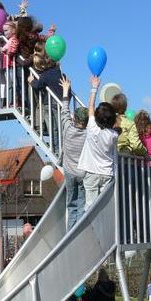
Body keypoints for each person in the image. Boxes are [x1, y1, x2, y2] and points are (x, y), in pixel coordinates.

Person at [77, 76, 118, 209]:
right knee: (104, 207)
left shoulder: (92, 127)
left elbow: (90, 106)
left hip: (91, 172)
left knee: (90, 207)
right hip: (107, 173)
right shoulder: (113, 135)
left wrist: (94, 87)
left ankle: (90, 229)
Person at [59, 76, 88, 229]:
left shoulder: (67, 128)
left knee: (71, 204)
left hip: (69, 172)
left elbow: (64, 109)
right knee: (82, 205)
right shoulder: (89, 134)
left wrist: (65, 90)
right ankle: (80, 231)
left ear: (74, 118)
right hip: (82, 172)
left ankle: (70, 233)